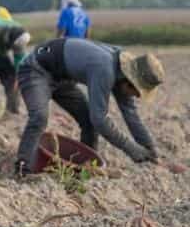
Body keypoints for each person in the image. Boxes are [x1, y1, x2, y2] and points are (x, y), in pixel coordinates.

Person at [14, 39, 163, 177]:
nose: (137, 96)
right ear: (129, 82)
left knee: (88, 122)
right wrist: (131, 148)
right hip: (36, 70)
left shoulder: (123, 74)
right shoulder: (105, 69)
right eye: (137, 92)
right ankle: (23, 168)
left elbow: (131, 114)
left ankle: (84, 168)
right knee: (39, 117)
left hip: (63, 79)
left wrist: (150, 149)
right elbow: (100, 120)